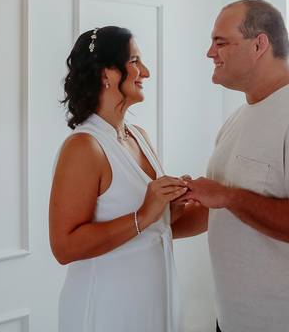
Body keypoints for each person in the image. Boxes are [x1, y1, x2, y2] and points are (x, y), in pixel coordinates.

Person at [173, 0, 289, 332]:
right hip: (232, 321)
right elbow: (219, 211)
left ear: (259, 45)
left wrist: (229, 196)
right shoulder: (236, 120)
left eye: (220, 42)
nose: (210, 53)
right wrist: (156, 224)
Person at [50, 26, 187, 332]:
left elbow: (157, 228)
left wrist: (182, 203)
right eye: (135, 61)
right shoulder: (84, 147)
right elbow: (64, 247)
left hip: (153, 306)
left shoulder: (140, 137)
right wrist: (144, 214)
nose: (146, 72)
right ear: (106, 74)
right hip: (106, 310)